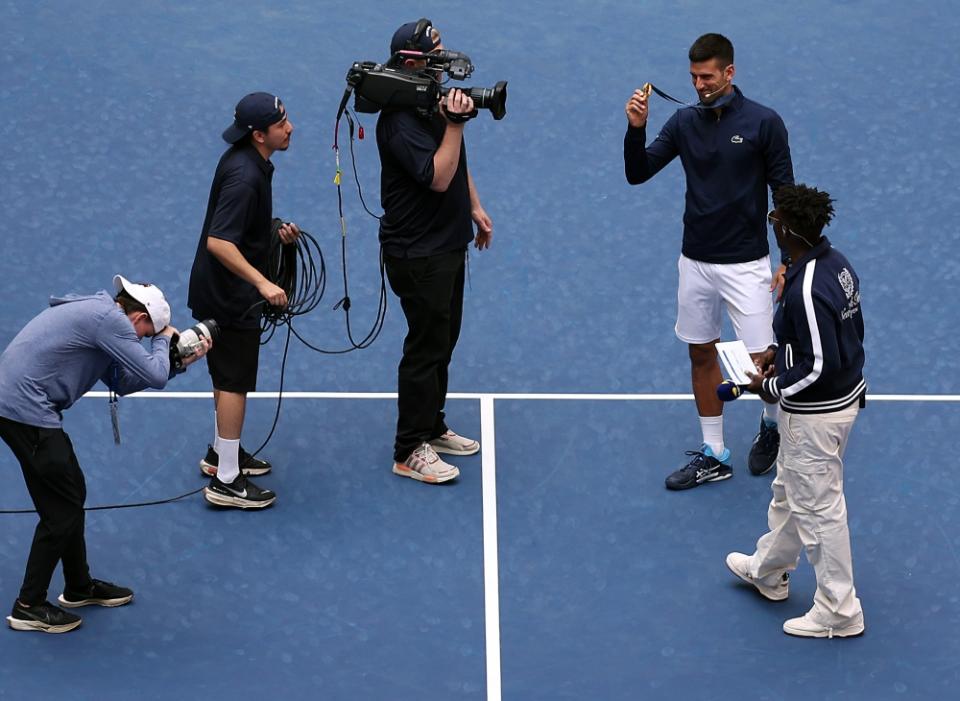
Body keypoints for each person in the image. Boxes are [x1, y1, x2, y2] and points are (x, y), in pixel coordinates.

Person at [623, 33, 795, 490]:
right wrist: (636, 128)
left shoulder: (765, 123)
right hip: (695, 262)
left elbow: (785, 194)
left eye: (707, 76)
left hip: (747, 265)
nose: (699, 85)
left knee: (763, 363)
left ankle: (772, 425)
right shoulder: (683, 123)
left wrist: (788, 259)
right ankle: (714, 452)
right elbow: (637, 173)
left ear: (729, 73)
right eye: (694, 77)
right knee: (701, 353)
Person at [0, 276, 210, 633]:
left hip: (17, 406)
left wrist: (176, 362)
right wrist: (164, 341)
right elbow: (154, 376)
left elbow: (124, 382)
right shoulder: (110, 322)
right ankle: (29, 605)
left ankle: (79, 586)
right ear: (138, 317)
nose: (141, 340)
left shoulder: (101, 316)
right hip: (26, 411)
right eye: (145, 334)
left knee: (70, 494)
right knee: (62, 509)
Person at [725, 183, 866, 638]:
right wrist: (775, 350)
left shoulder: (806, 287)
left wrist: (770, 386)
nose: (772, 225)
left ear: (787, 228)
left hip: (815, 413)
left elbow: (819, 366)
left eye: (774, 219)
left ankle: (840, 612)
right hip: (833, 404)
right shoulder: (833, 263)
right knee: (790, 490)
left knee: (820, 509)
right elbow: (820, 342)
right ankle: (769, 570)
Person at [376, 19, 493, 484]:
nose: (444, 56)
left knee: (444, 341)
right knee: (424, 349)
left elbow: (456, 162)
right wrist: (458, 125)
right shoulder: (399, 121)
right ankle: (408, 449)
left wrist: (476, 208)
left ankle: (432, 424)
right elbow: (439, 174)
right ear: (413, 59)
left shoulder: (426, 101)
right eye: (436, 49)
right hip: (417, 255)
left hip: (446, 245)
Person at [188, 92, 300, 508]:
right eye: (281, 124)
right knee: (234, 382)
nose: (289, 129)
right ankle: (227, 482)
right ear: (258, 134)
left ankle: (222, 455)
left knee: (226, 376)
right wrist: (263, 284)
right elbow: (219, 241)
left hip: (220, 289)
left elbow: (239, 226)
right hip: (228, 294)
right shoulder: (244, 176)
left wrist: (273, 230)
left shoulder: (249, 162)